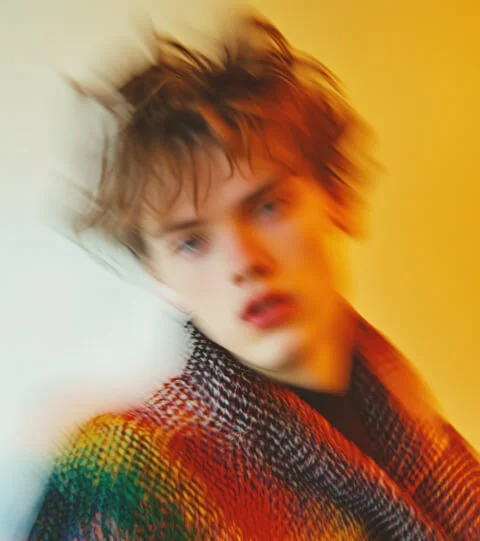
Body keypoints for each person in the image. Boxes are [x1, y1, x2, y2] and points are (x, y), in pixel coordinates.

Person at [28, 14, 479, 540]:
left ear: (338, 199)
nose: (243, 262)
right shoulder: (129, 474)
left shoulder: (429, 441)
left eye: (268, 207)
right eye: (191, 242)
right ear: (159, 274)